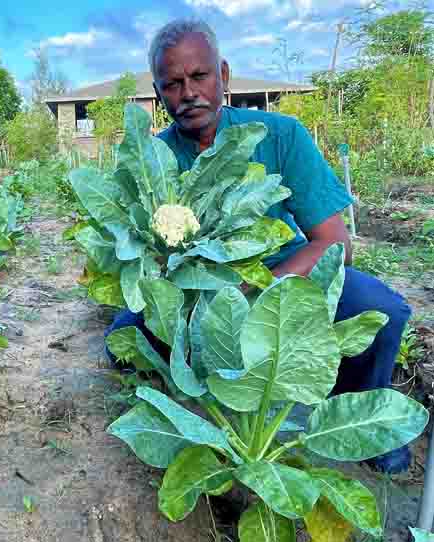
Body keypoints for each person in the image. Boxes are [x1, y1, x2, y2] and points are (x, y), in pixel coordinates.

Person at [104, 18, 413, 474]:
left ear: (223, 75)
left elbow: (335, 246)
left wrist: (260, 293)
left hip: (284, 273)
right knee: (120, 343)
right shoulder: (153, 159)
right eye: (172, 84)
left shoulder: (280, 135)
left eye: (199, 76)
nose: (188, 92)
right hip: (192, 292)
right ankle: (194, 406)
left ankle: (361, 423)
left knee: (383, 311)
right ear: (158, 93)